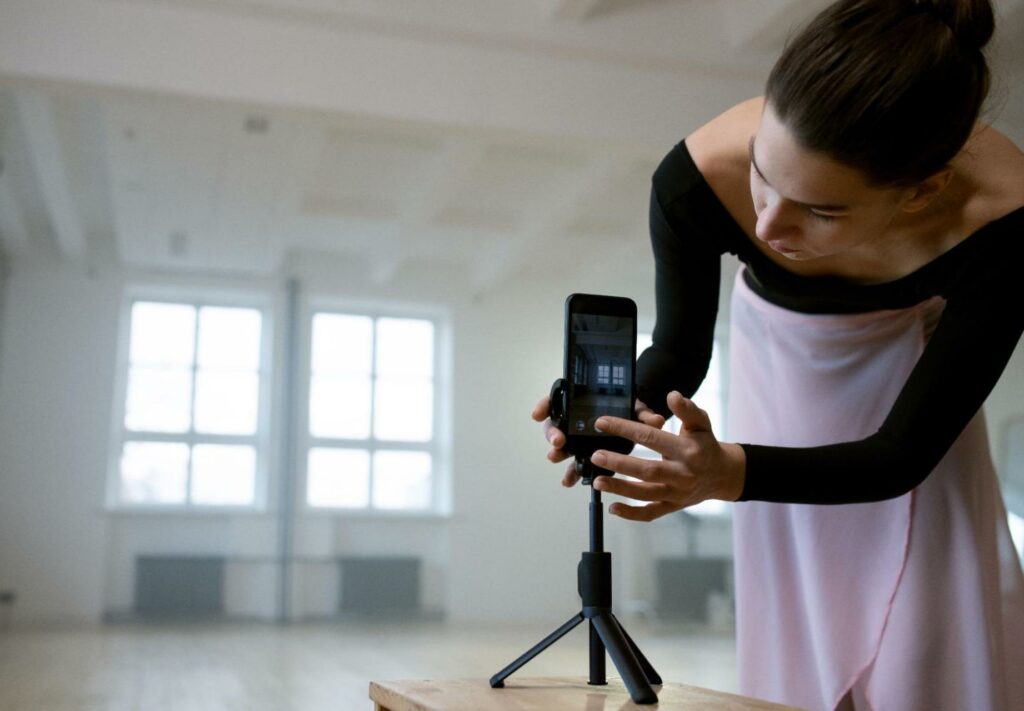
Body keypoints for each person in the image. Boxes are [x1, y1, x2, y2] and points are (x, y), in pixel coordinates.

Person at [533, 1, 1024, 709]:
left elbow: (902, 453)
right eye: (765, 174)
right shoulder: (694, 179)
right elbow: (677, 351)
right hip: (777, 377)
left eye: (822, 211)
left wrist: (729, 470)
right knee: (803, 635)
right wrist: (612, 408)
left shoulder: (1005, 223)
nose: (767, 224)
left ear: (924, 192)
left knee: (927, 643)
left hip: (906, 400)